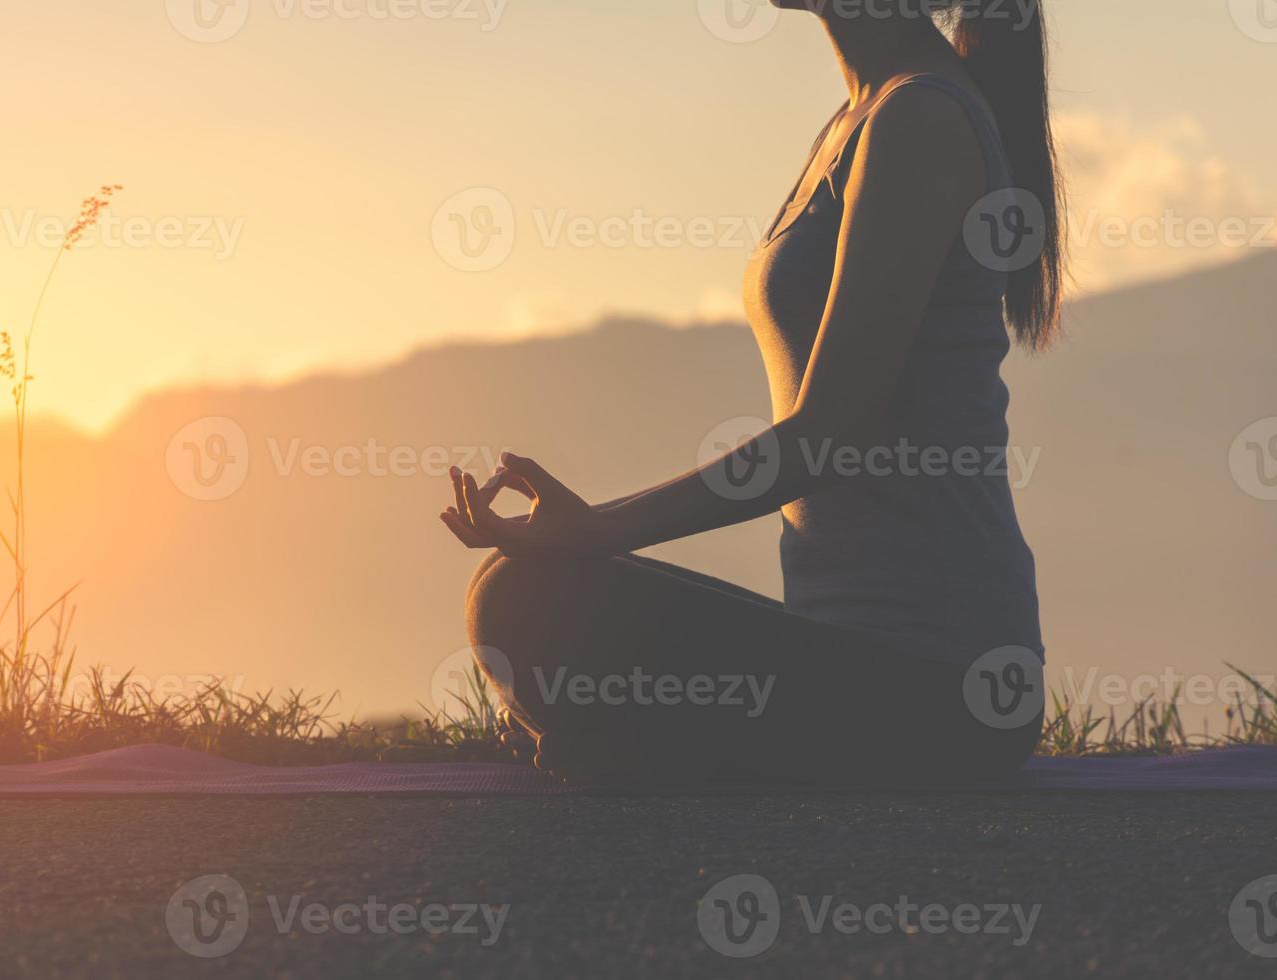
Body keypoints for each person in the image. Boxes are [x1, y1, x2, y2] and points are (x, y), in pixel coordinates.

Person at [440, 0, 1063, 784]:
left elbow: (825, 436)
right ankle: (643, 747)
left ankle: (637, 749)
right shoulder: (860, 118)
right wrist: (588, 534)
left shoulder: (922, 119)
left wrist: (596, 529)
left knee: (525, 605)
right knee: (514, 589)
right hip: (845, 652)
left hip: (944, 687)